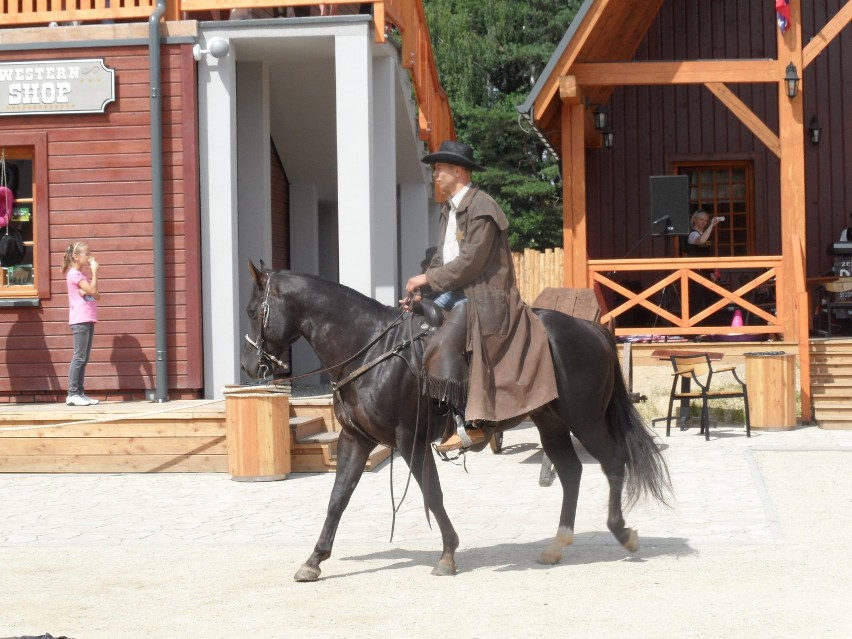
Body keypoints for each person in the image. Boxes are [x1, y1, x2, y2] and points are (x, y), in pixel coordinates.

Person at [401, 140, 558, 454]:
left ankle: (472, 423)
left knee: (445, 341)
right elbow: (442, 260)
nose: (435, 175)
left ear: (457, 171)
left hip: (485, 297)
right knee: (411, 328)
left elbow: (470, 263)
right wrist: (422, 291)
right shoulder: (450, 209)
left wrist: (427, 279)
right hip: (456, 289)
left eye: (439, 170)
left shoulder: (483, 208)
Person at [61, 241, 101, 407]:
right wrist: (94, 270)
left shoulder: (82, 276)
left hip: (88, 318)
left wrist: (91, 285)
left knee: (84, 358)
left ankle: (79, 392)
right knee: (79, 357)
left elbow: (96, 294)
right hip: (80, 319)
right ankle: (72, 394)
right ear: (76, 256)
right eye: (87, 253)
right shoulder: (74, 274)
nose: (90, 256)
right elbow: (93, 291)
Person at [682, 209, 722, 318]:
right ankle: (694, 331)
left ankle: (710, 329)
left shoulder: (703, 233)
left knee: (712, 300)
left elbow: (708, 253)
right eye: (701, 219)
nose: (703, 222)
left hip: (706, 271)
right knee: (696, 301)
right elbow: (701, 241)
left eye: (706, 220)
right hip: (696, 272)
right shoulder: (692, 234)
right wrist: (711, 226)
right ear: (694, 220)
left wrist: (713, 270)